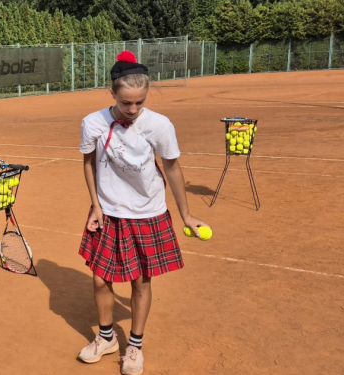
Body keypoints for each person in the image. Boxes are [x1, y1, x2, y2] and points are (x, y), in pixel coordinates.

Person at [76, 51, 209, 375]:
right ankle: (106, 338)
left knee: (140, 281)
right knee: (99, 279)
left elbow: (173, 169)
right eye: (126, 104)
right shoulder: (93, 123)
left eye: (139, 102)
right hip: (109, 210)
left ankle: (134, 345)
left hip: (148, 212)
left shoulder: (159, 125)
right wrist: (95, 205)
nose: (133, 110)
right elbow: (89, 164)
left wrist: (186, 214)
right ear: (113, 94)